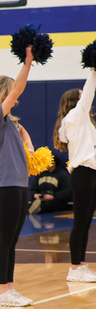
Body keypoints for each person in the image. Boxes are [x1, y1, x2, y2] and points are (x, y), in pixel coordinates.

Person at [0, 47, 36, 307]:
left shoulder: (10, 122)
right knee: (5, 239)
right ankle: (2, 291)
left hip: (20, 184)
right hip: (7, 185)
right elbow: (18, 90)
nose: (16, 96)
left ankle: (9, 289)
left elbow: (24, 141)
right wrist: (28, 62)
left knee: (12, 240)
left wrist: (28, 143)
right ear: (3, 94)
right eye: (11, 92)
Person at [54, 78, 96, 283]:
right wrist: (93, 69)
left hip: (91, 173)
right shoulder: (75, 115)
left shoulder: (81, 120)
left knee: (86, 222)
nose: (85, 96)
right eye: (81, 94)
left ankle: (80, 265)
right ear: (75, 100)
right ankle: (74, 267)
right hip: (83, 174)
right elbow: (90, 90)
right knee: (80, 222)